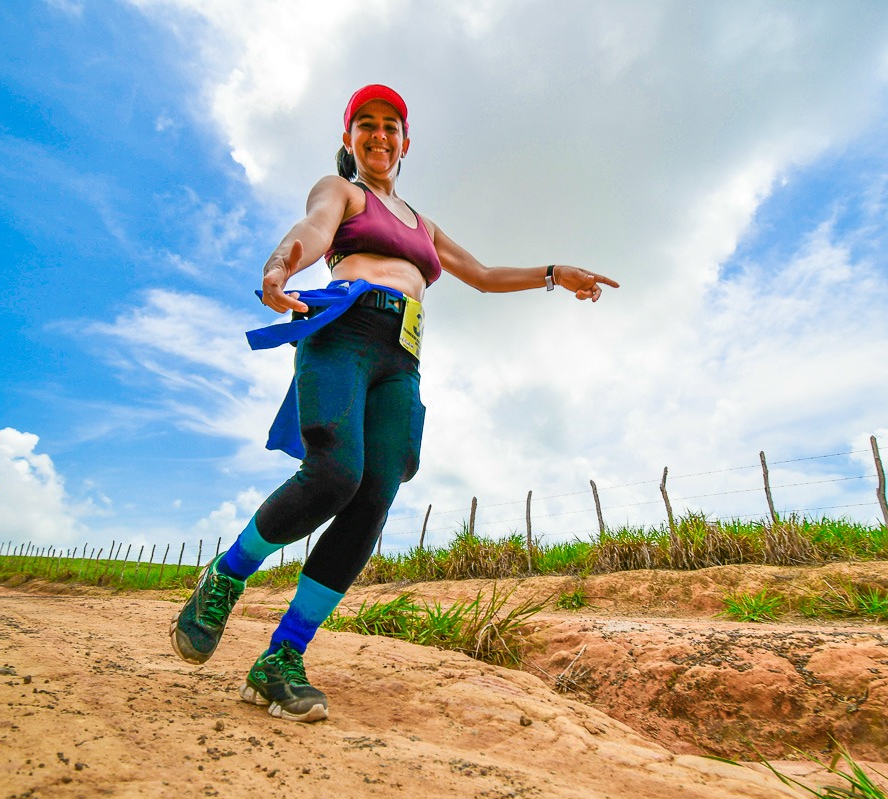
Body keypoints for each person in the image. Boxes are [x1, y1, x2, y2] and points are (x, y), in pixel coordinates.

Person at [170, 84, 618, 722]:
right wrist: (279, 267)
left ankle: (280, 659)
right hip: (344, 332)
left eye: (390, 126)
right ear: (350, 137)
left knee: (373, 497)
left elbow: (482, 275)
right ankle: (228, 574)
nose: (379, 135)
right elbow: (312, 229)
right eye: (366, 124)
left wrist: (553, 274)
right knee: (334, 474)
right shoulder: (341, 190)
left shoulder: (424, 226)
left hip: (401, 356)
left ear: (406, 142)